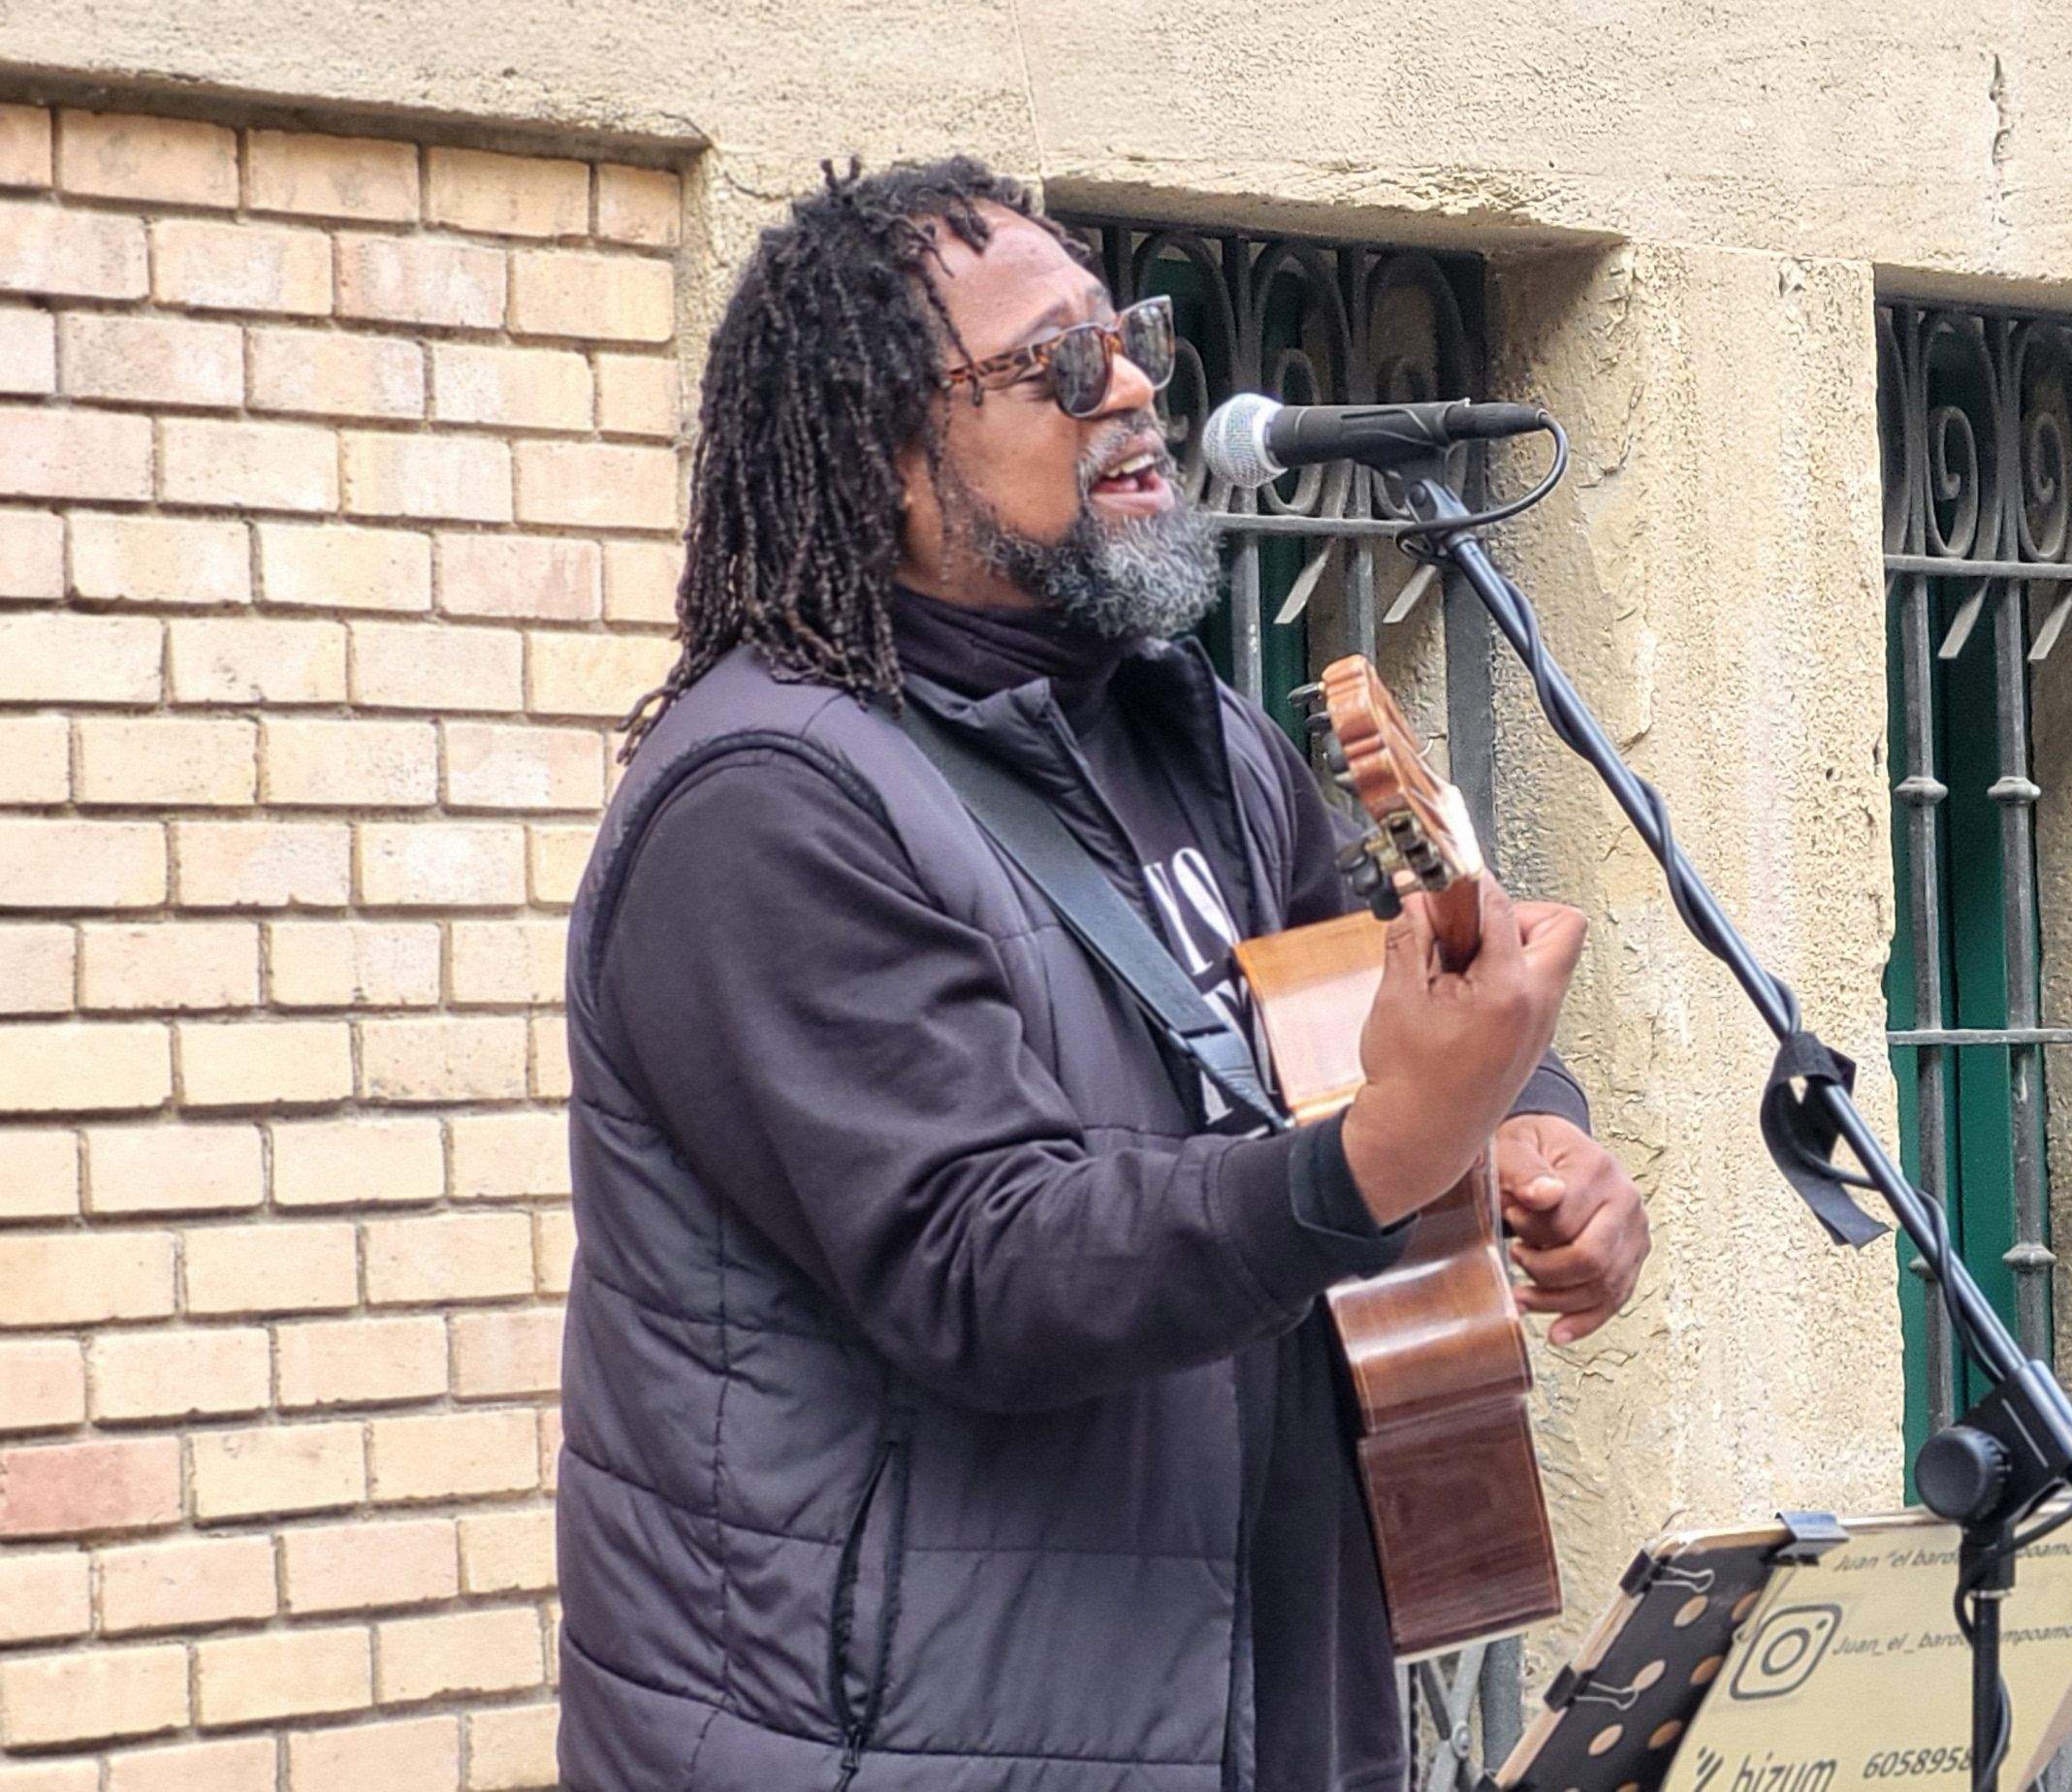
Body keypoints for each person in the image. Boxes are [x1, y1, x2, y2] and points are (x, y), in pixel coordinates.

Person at [554, 157, 1650, 1792]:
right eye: (1059, 364)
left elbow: (1387, 1009)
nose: (1132, 387)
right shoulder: (763, 806)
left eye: (1127, 337)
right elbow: (981, 1265)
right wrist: (1384, 1155)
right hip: (908, 1745)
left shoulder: (1196, 735)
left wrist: (1531, 1132)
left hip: (1259, 1704)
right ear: (884, 456)